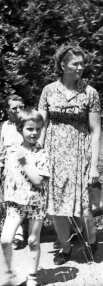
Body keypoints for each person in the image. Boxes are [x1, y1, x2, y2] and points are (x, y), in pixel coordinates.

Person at [38, 43, 101, 265]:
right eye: (76, 63)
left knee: (84, 204)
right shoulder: (48, 90)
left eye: (82, 63)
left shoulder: (90, 92)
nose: (81, 67)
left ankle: (91, 240)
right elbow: (41, 126)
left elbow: (95, 131)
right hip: (53, 154)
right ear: (63, 64)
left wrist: (94, 165)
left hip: (79, 154)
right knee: (55, 205)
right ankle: (65, 247)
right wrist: (38, 155)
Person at [0, 109, 50, 286]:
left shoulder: (41, 153)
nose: (34, 132)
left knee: (33, 239)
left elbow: (38, 181)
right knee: (5, 239)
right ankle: (6, 273)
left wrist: (24, 162)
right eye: (30, 128)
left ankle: (32, 277)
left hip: (35, 202)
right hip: (14, 202)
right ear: (20, 129)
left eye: (38, 128)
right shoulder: (12, 150)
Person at [0, 95, 29, 250]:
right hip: (9, 168)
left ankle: (26, 231)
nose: (18, 110)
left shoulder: (28, 124)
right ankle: (17, 233)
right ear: (7, 110)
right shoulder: (4, 126)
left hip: (26, 166)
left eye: (21, 107)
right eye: (14, 108)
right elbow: (1, 150)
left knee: (25, 199)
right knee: (11, 200)